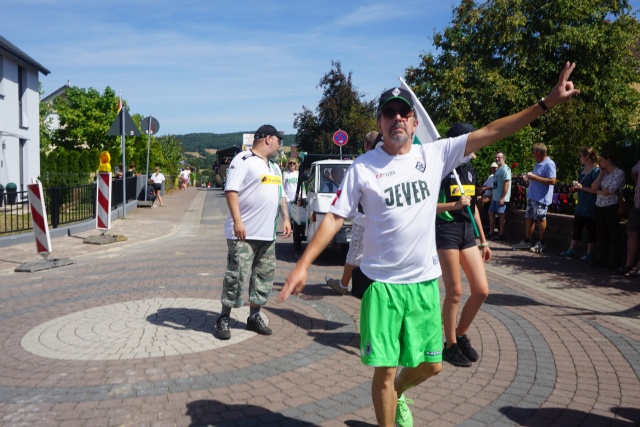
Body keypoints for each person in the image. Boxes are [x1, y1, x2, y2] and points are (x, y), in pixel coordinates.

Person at [279, 63, 579, 427]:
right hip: (382, 287)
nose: (397, 118)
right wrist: (302, 265)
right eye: (389, 113)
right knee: (384, 372)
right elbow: (333, 218)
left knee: (432, 365)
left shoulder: (434, 155)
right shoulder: (363, 167)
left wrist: (545, 103)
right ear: (380, 122)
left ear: (414, 121)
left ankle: (398, 393)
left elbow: (493, 131)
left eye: (404, 112)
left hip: (423, 284)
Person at [215, 124, 292, 340]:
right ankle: (224, 317)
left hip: (267, 235)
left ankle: (254, 316)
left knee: (263, 277)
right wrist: (238, 221)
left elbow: (281, 195)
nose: (280, 145)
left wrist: (286, 218)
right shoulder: (243, 159)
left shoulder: (274, 167)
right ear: (268, 139)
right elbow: (231, 190)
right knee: (236, 276)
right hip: (243, 234)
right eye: (278, 141)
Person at [436, 123, 491, 368]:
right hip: (446, 231)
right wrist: (454, 206)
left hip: (468, 233)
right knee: (455, 292)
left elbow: (473, 207)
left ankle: (460, 335)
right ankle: (449, 346)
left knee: (481, 290)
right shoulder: (440, 169)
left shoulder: (470, 170)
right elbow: (426, 207)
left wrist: (483, 240)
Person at [325, 130, 378, 295]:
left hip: (363, 218)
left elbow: (347, 199)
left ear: (366, 145)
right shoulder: (386, 161)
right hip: (381, 219)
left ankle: (343, 284)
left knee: (355, 253)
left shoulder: (362, 164)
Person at [512, 143, 557, 253]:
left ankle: (542, 242)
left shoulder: (549, 164)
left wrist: (535, 177)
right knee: (529, 218)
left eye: (533, 152)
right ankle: (527, 241)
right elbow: (537, 178)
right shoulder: (538, 164)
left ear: (538, 152)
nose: (532, 154)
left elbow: (552, 180)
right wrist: (529, 177)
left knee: (541, 218)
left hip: (541, 197)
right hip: (532, 196)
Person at [558, 147, 599, 261]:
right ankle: (571, 250)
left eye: (581, 156)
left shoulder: (596, 171)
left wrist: (582, 187)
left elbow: (595, 190)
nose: (579, 158)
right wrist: (575, 189)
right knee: (577, 227)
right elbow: (580, 186)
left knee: (590, 228)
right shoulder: (582, 170)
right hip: (581, 203)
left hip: (590, 203)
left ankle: (589, 253)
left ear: (587, 157)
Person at [591, 150, 625, 270]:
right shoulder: (603, 173)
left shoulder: (619, 173)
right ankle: (603, 259)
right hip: (600, 205)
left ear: (608, 160)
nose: (599, 162)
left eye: (601, 160)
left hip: (612, 205)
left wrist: (599, 192)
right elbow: (594, 187)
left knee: (613, 234)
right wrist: (601, 173)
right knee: (602, 233)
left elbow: (610, 190)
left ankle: (616, 261)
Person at [618, 159, 640, 276]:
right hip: (638, 204)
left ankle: (637, 268)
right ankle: (628, 265)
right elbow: (634, 171)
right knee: (631, 232)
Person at [489, 151, 511, 241]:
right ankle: (491, 231)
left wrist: (502, 197)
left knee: (501, 215)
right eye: (496, 157)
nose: (497, 159)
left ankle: (501, 234)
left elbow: (506, 183)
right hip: (495, 197)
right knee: (491, 212)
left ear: (504, 158)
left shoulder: (505, 169)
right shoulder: (499, 169)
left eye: (499, 157)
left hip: (501, 197)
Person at [478, 162, 498, 229]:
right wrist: (480, 188)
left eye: (494, 168)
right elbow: (484, 185)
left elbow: (495, 188)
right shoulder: (490, 176)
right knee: (475, 199)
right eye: (492, 168)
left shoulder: (498, 177)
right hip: (486, 195)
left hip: (492, 196)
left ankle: (478, 219)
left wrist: (486, 188)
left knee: (481, 201)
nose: (493, 169)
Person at [282, 158, 299, 222]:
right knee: (288, 214)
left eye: (293, 163)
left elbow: (301, 185)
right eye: (290, 163)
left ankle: (293, 226)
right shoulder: (285, 173)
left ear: (296, 164)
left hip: (296, 197)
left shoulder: (297, 173)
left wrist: (301, 194)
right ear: (288, 164)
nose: (292, 164)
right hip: (287, 197)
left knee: (296, 215)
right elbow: (282, 185)